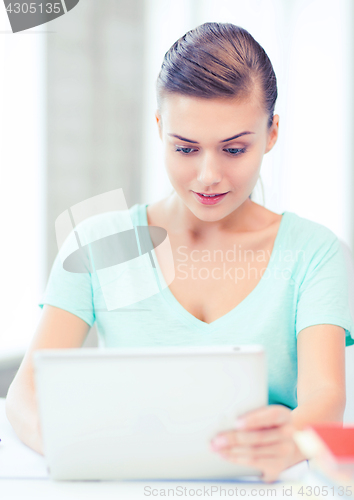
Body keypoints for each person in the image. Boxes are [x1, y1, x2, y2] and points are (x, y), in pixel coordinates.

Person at [5, 22, 354, 483]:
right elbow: (25, 395)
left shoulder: (316, 253)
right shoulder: (96, 244)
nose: (208, 175)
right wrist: (77, 448)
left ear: (271, 133)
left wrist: (293, 437)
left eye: (234, 149)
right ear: (159, 128)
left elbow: (325, 398)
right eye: (186, 148)